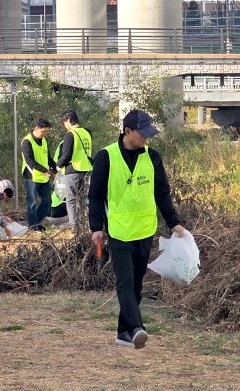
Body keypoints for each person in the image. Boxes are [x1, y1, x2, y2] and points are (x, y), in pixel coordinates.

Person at [88, 109, 185, 349]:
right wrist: (96, 226)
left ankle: (123, 332)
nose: (146, 139)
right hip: (119, 230)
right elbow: (95, 195)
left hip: (145, 228)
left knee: (137, 282)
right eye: (142, 134)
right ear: (127, 131)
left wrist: (174, 222)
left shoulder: (152, 158)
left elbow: (162, 193)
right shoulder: (106, 157)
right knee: (125, 282)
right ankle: (136, 328)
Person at [56, 110, 93, 233]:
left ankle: (74, 229)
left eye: (64, 123)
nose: (65, 126)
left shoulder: (70, 134)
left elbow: (66, 155)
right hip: (86, 169)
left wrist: (57, 167)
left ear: (68, 120)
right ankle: (86, 226)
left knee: (71, 200)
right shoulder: (87, 133)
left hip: (73, 170)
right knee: (83, 199)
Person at [21, 118, 57, 231]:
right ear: (36, 128)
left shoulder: (44, 140)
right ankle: (33, 226)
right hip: (31, 176)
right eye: (43, 131)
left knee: (47, 202)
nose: (44, 134)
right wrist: (46, 170)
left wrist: (56, 169)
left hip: (44, 177)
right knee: (32, 202)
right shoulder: (26, 142)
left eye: (46, 131)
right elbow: (29, 160)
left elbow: (48, 157)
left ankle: (35, 222)